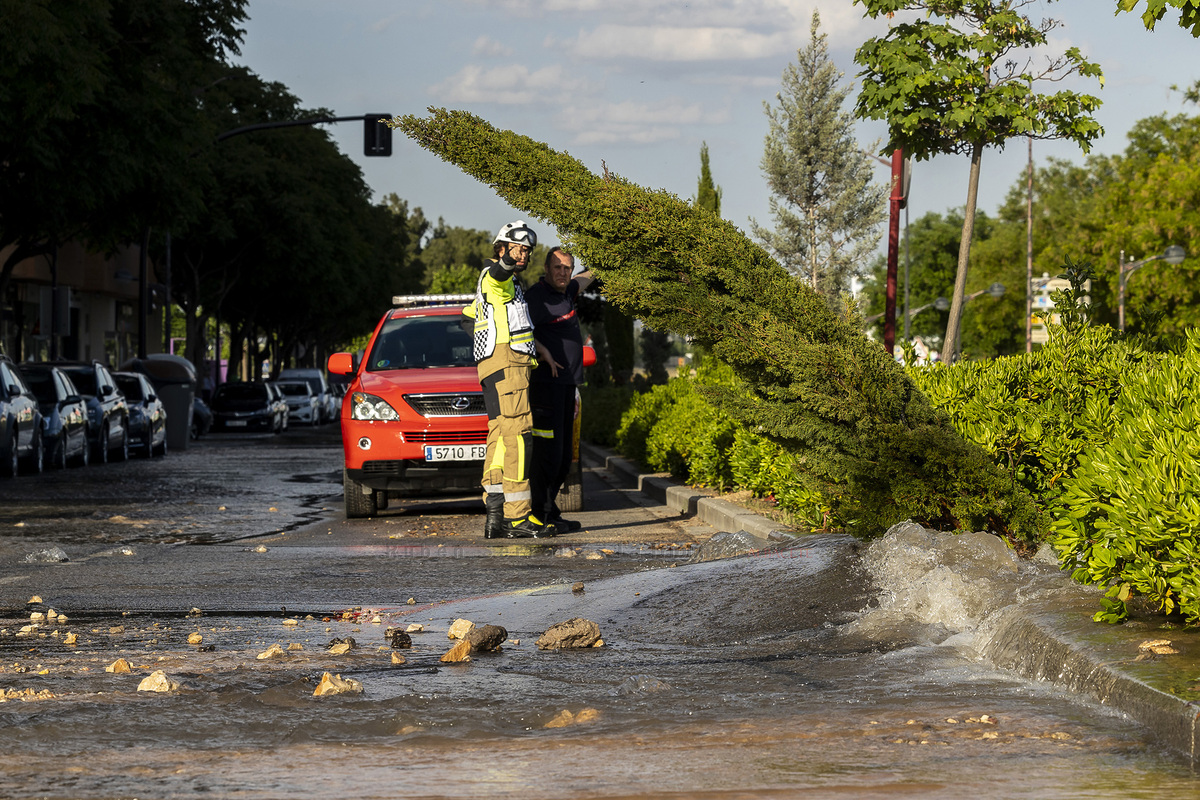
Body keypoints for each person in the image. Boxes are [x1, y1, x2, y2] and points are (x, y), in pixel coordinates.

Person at [462, 221, 556, 539]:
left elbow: (466, 317)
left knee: (500, 440)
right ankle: (518, 518)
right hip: (507, 365)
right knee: (519, 437)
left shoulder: (491, 288)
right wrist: (506, 261)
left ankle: (495, 515)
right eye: (517, 248)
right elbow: (499, 274)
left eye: (527, 250)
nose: (523, 254)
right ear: (501, 248)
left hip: (493, 367)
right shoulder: (496, 276)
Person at [526, 247, 593, 534]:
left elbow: (585, 278)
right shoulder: (534, 297)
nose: (563, 272)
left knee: (565, 457)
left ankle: (550, 510)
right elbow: (521, 330)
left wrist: (607, 258)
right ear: (546, 268)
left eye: (567, 267)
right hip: (545, 388)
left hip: (567, 386)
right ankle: (538, 514)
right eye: (557, 267)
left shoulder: (566, 292)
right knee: (547, 454)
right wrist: (543, 352)